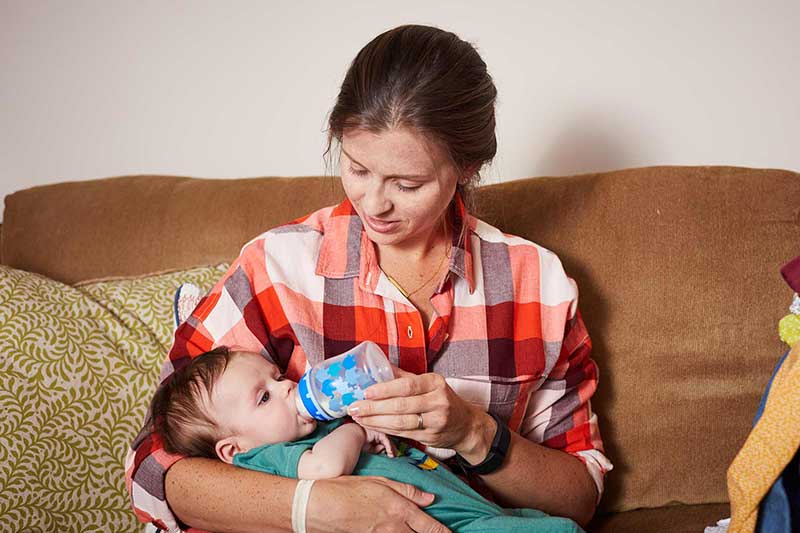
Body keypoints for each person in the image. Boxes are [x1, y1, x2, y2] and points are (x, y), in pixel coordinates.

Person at [126, 23, 613, 533]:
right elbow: (155, 467)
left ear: (466, 167)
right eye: (357, 168)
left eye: (407, 183)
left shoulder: (538, 286)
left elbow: (579, 498)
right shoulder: (276, 270)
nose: (375, 204)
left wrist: (473, 431)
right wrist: (315, 509)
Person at [148, 347, 584, 532]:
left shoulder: (311, 432)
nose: (286, 388)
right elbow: (324, 469)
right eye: (263, 397)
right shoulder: (264, 459)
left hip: (469, 510)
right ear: (232, 449)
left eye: (277, 377)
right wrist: (354, 429)